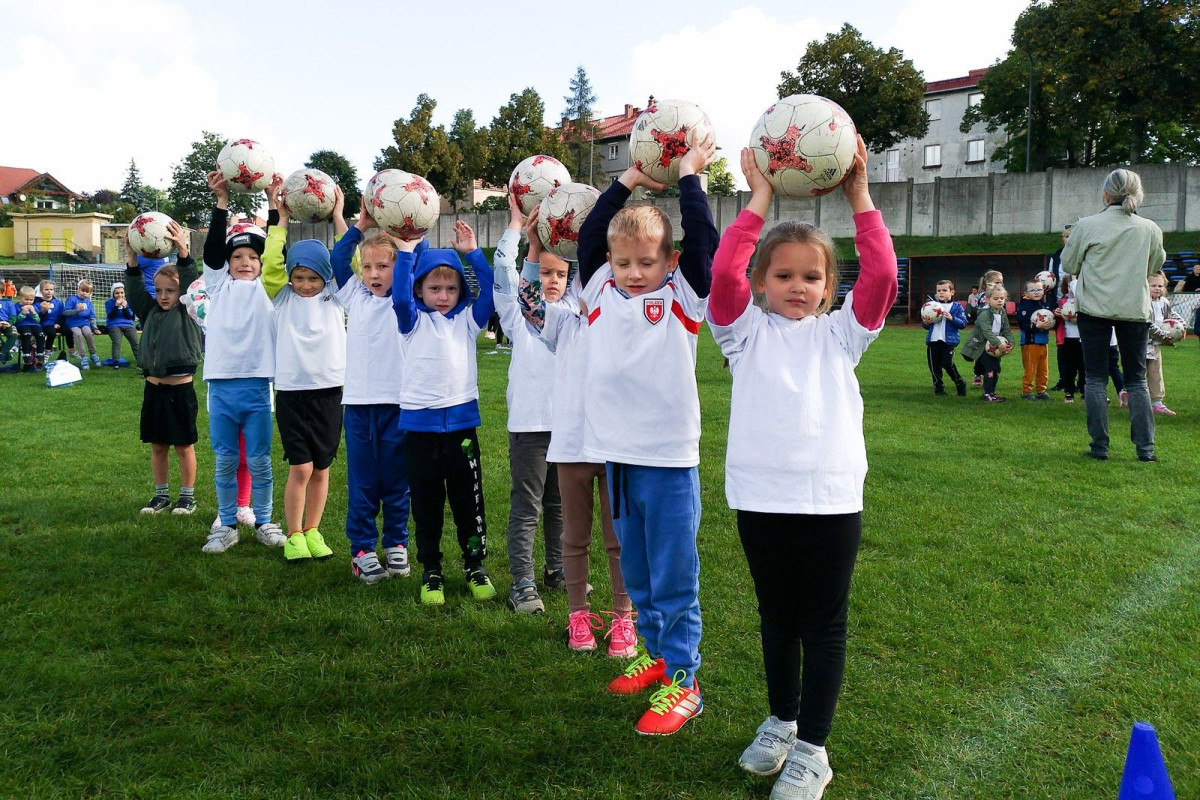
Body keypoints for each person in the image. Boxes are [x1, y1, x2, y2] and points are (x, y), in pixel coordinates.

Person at [708, 140, 896, 800]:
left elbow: (882, 278)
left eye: (811, 278)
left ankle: (813, 750)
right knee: (777, 620)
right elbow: (723, 273)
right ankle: (781, 723)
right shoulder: (740, 332)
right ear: (762, 282)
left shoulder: (842, 334)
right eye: (783, 275)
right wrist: (758, 195)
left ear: (827, 288)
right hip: (761, 497)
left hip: (830, 501)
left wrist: (858, 196)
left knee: (823, 625)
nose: (797, 287)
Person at [569, 133, 718, 736]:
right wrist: (628, 179)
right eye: (623, 262)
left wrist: (689, 178)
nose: (633, 273)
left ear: (670, 263)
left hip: (669, 460)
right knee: (637, 571)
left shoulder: (685, 296)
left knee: (674, 577)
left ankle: (686, 681)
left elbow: (703, 240)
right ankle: (656, 657)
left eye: (647, 263)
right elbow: (590, 234)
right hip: (618, 459)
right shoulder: (598, 290)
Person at [518, 211, 635, 653]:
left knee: (619, 540)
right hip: (571, 449)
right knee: (574, 537)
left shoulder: (626, 321)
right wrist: (534, 248)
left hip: (618, 449)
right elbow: (529, 303)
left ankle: (623, 618)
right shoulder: (564, 323)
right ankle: (578, 615)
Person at [392, 220, 497, 604]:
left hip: (462, 430)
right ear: (419, 288)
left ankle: (475, 566)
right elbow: (399, 297)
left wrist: (473, 254)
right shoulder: (411, 320)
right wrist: (406, 254)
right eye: (434, 288)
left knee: (469, 502)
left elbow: (490, 291)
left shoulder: (468, 321)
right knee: (426, 505)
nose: (443, 295)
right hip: (419, 431)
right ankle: (431, 569)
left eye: (451, 288)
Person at [200, 170, 285, 552]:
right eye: (237, 256)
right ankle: (227, 524)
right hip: (221, 387)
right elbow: (211, 251)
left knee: (260, 460)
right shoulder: (218, 286)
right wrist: (222, 202)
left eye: (253, 256)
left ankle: (265, 522)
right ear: (228, 262)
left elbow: (277, 253)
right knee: (225, 460)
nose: (246, 262)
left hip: (257, 386)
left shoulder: (269, 289)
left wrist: (272, 203)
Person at [260, 188, 347, 562]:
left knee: (322, 468)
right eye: (299, 276)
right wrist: (280, 219)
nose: (306, 284)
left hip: (331, 392)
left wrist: (338, 216)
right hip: (292, 394)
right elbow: (270, 263)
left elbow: (350, 258)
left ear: (325, 276)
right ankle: (294, 534)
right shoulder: (281, 296)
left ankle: (313, 530)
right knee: (301, 467)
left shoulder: (337, 294)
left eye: (313, 278)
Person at [331, 198, 412, 585]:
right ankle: (361, 549)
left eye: (383, 266)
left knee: (397, 481)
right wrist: (359, 226)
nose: (374, 274)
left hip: (399, 405)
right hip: (360, 408)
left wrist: (408, 237)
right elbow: (338, 258)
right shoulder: (354, 296)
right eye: (367, 267)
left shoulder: (406, 299)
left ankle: (396, 542)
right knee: (363, 482)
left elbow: (414, 263)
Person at [1061, 168, 1165, 462]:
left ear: (1106, 194)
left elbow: (1069, 263)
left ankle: (1099, 447)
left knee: (1095, 378)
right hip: (1134, 309)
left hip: (1095, 309)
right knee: (1137, 380)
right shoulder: (1150, 228)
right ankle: (1145, 450)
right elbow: (1154, 266)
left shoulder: (1087, 225)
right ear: (1138, 195)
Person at [492, 195, 563, 614]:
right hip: (529, 428)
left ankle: (558, 569)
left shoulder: (572, 313)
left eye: (560, 274)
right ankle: (522, 582)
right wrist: (526, 237)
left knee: (561, 506)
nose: (552, 280)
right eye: (544, 273)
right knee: (527, 508)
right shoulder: (518, 317)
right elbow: (504, 269)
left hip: (568, 428)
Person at [124, 224, 203, 515]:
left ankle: (187, 497)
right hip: (153, 389)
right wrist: (132, 257)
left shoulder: (187, 309)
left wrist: (183, 251)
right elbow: (134, 291)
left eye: (170, 290)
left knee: (183, 445)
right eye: (158, 291)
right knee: (158, 445)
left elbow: (191, 279)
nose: (164, 296)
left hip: (180, 391)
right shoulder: (150, 311)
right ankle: (160, 496)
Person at [961, 285, 1014, 402]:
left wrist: (1010, 343)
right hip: (981, 346)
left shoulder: (1002, 312)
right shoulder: (984, 314)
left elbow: (1007, 330)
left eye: (1002, 298)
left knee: (997, 369)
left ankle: (991, 393)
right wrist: (999, 344)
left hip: (994, 347)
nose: (999, 300)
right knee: (991, 368)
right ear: (988, 300)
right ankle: (988, 394)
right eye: (996, 298)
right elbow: (987, 332)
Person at [1146, 271, 1184, 416]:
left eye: (1160, 286)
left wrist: (1182, 327)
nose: (1157, 288)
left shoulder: (1164, 302)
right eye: (1153, 286)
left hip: (1155, 344)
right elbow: (1147, 324)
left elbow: (1173, 316)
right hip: (1140, 343)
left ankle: (1157, 403)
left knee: (1156, 373)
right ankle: (1134, 397)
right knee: (1138, 373)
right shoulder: (1143, 302)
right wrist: (1165, 336)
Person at [921, 279, 967, 396]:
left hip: (948, 341)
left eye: (944, 290)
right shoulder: (932, 306)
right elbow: (925, 325)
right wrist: (926, 322)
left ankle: (959, 382)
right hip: (933, 341)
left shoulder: (957, 307)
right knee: (934, 366)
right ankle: (938, 388)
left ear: (952, 292)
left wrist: (952, 318)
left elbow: (963, 324)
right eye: (939, 291)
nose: (941, 293)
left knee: (947, 363)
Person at [1015, 280, 1053, 400]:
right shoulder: (1025, 306)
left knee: (1043, 369)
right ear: (1026, 293)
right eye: (1032, 290)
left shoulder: (1044, 305)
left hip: (1043, 342)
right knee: (1030, 368)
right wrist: (1036, 326)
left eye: (1039, 289)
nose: (1036, 292)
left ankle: (1041, 391)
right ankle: (1026, 391)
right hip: (1030, 342)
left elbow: (1051, 321)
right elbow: (1023, 324)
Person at [966, 270, 1003, 385]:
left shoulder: (1000, 295)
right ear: (987, 283)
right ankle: (978, 374)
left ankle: (992, 374)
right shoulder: (982, 296)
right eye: (997, 282)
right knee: (983, 353)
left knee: (995, 353)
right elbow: (984, 312)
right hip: (984, 330)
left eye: (1001, 282)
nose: (999, 284)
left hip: (996, 330)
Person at [1048, 224, 1073, 389]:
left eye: (1072, 236)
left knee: (1078, 345)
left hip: (1079, 303)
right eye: (1066, 236)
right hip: (1059, 302)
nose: (1069, 239)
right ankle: (1063, 379)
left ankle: (1080, 381)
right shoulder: (1056, 256)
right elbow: (1050, 278)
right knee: (1061, 342)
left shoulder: (1083, 254)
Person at [1055, 275, 1083, 403]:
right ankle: (1069, 392)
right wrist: (1057, 314)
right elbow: (1057, 319)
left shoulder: (1084, 301)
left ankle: (1084, 391)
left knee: (1084, 367)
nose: (1072, 289)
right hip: (1068, 338)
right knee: (1070, 367)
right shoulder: (1063, 301)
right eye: (1069, 286)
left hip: (1083, 338)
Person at [65, 279, 100, 369]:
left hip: (84, 323)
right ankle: (83, 356)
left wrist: (95, 328)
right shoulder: (72, 299)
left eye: (87, 292)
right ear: (78, 289)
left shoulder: (89, 303)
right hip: (73, 323)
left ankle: (93, 354)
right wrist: (77, 310)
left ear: (90, 293)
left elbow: (92, 316)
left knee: (88, 333)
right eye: (82, 290)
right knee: (78, 334)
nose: (84, 293)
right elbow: (65, 312)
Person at [105, 282, 139, 368]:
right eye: (117, 293)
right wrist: (116, 306)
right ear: (113, 294)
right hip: (114, 324)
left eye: (121, 293)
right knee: (117, 341)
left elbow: (130, 317)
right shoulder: (108, 303)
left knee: (135, 342)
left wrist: (125, 308)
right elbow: (110, 316)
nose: (120, 295)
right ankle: (115, 361)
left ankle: (140, 361)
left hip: (128, 324)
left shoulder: (128, 303)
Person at [12, 287, 45, 370]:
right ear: (20, 298)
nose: (29, 302)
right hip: (22, 325)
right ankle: (26, 354)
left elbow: (38, 320)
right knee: (27, 334)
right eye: (26, 299)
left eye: (31, 300)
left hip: (35, 325)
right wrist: (23, 313)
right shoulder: (16, 307)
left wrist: (33, 312)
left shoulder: (35, 307)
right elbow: (16, 321)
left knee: (41, 334)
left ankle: (40, 353)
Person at [37, 280, 65, 361]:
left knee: (69, 331)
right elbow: (37, 319)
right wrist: (43, 311)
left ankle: (71, 350)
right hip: (45, 324)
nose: (49, 291)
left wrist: (58, 323)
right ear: (41, 291)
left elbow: (62, 315)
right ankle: (47, 352)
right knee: (51, 333)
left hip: (56, 324)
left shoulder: (58, 302)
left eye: (51, 289)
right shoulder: (37, 303)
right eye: (46, 289)